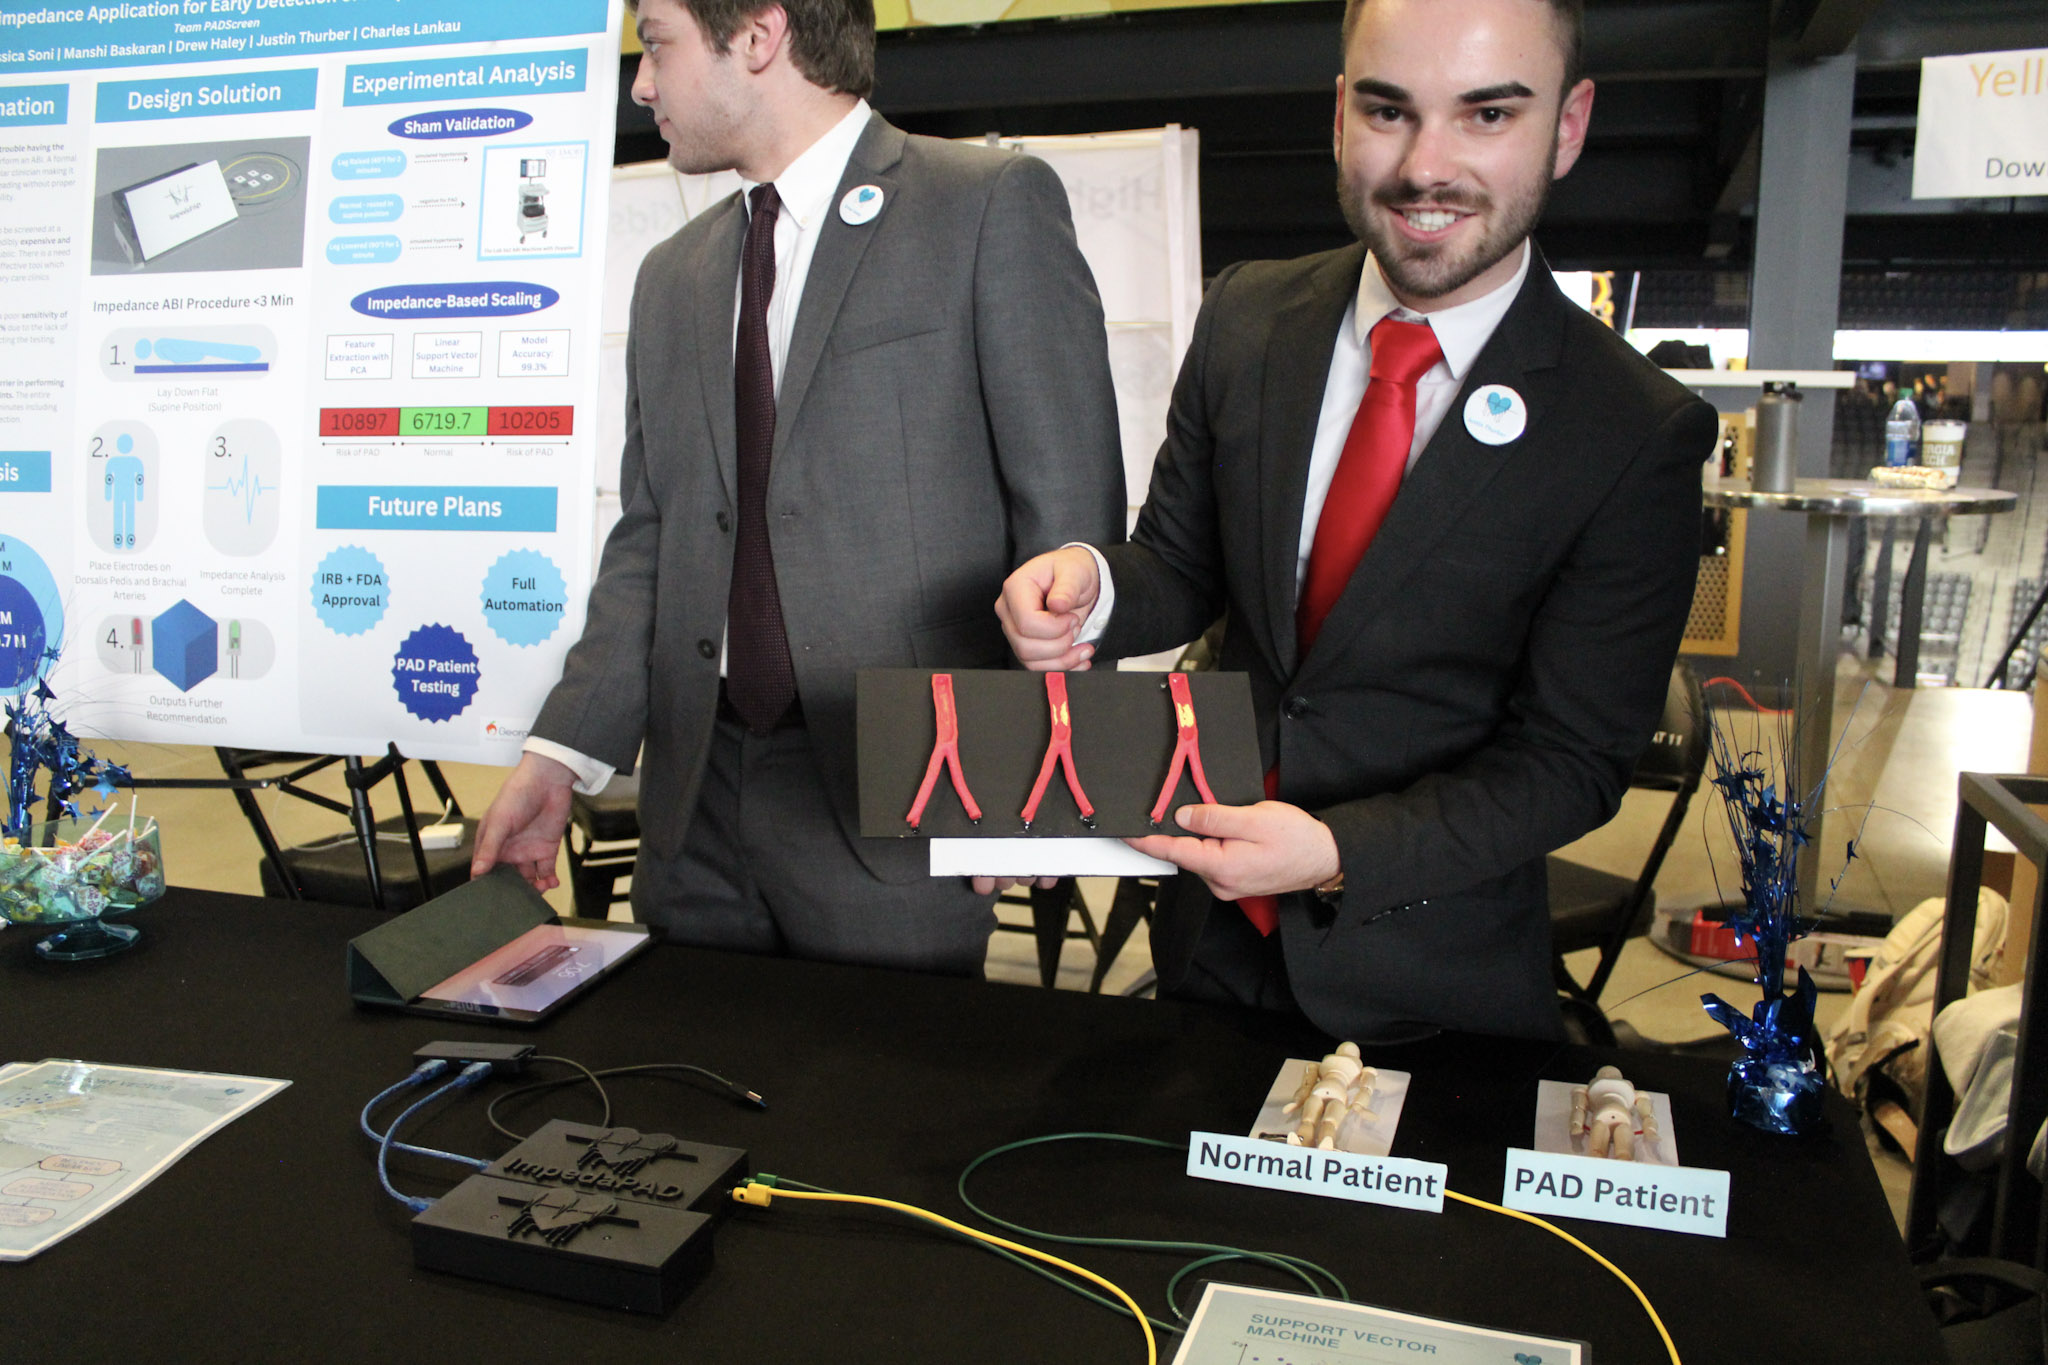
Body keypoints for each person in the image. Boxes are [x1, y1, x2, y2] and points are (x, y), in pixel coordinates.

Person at [998, 0, 1717, 1040]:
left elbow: (1569, 761)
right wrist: (1088, 586)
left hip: (1429, 985)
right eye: (1388, 110)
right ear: (1339, 115)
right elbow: (1179, 564)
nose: (1425, 166)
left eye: (1485, 116)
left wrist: (1336, 852)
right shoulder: (1247, 318)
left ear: (1565, 128)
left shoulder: (1631, 432)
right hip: (1203, 946)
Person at [473, 0, 1123, 975]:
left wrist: (1053, 765)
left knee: (884, 1109)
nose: (640, 84)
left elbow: (1071, 518)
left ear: (758, 35)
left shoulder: (985, 204)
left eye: (654, 45)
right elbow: (651, 542)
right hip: (692, 801)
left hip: (902, 796)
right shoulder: (670, 280)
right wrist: (559, 755)